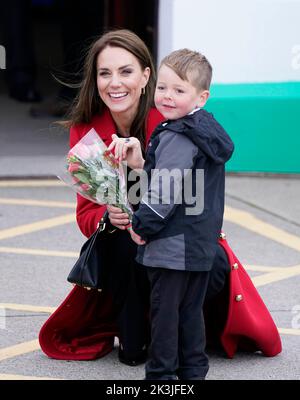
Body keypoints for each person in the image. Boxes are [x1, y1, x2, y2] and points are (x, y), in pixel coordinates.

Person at [39, 31, 282, 368]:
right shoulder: (86, 129)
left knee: (206, 263)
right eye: (104, 73)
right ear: (95, 80)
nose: (114, 82)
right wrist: (107, 217)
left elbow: (185, 195)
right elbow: (85, 216)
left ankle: (177, 340)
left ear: (145, 77)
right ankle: (136, 336)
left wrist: (138, 171)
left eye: (125, 71)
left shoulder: (170, 121)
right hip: (126, 246)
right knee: (124, 244)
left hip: (177, 233)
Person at [121, 48, 232, 380]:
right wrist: (140, 165)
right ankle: (193, 370)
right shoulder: (204, 130)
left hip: (171, 246)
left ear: (201, 96)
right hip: (199, 244)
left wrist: (142, 225)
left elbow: (163, 192)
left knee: (164, 314)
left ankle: (162, 377)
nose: (167, 97)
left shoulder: (177, 135)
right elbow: (182, 184)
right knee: (189, 311)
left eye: (179, 90)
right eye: (162, 88)